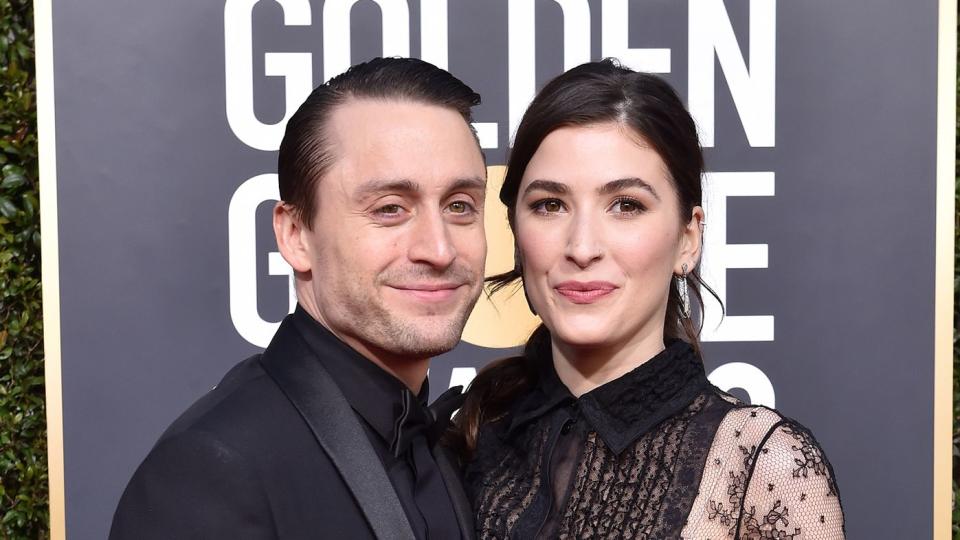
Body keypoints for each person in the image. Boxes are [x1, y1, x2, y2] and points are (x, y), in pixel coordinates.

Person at [453, 60, 845, 539]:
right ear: (515, 230)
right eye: (549, 205)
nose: (581, 247)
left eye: (626, 205)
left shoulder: (762, 467)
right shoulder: (472, 439)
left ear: (688, 239)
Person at [110, 57, 487, 539]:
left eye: (459, 206)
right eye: (390, 209)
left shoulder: (457, 451)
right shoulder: (211, 471)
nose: (438, 248)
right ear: (295, 235)